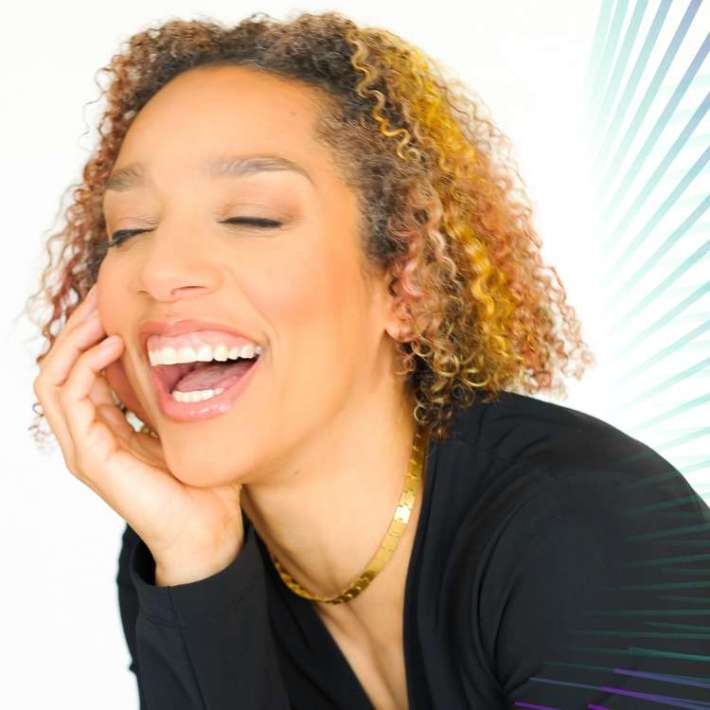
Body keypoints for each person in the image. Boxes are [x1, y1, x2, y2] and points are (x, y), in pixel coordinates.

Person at [28, 11, 710, 710]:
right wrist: (199, 568)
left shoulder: (589, 526)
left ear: (403, 277)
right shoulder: (180, 555)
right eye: (130, 230)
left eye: (252, 217)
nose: (160, 270)